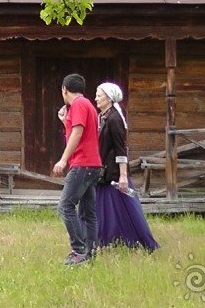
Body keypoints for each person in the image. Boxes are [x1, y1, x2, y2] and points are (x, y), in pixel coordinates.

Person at [92, 82, 159, 252]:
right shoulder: (103, 117)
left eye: (99, 95)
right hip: (104, 173)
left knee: (127, 209)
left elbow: (121, 149)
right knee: (104, 209)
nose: (96, 98)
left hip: (114, 174)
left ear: (109, 98)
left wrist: (123, 176)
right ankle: (105, 240)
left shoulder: (114, 118)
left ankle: (140, 242)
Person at [53, 73, 103, 266]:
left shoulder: (79, 105)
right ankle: (91, 252)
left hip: (82, 164)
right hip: (93, 164)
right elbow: (80, 131)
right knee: (89, 212)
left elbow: (78, 131)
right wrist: (64, 121)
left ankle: (79, 250)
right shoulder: (88, 105)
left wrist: (63, 159)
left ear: (64, 89)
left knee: (65, 206)